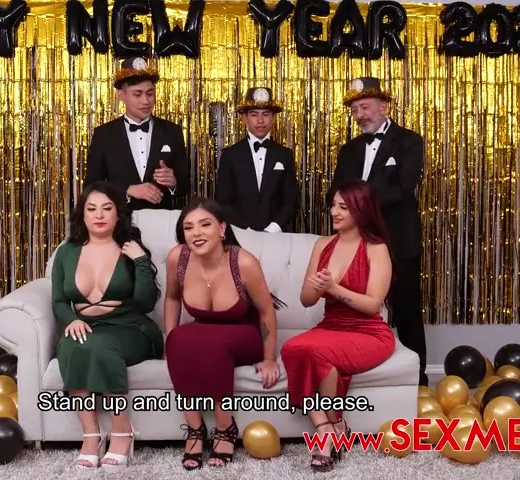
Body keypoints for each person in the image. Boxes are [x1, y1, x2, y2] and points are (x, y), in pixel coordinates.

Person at [280, 180, 396, 472]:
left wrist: (334, 288)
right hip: (330, 326)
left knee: (316, 354)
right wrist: (318, 287)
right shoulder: (322, 245)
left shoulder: (376, 248)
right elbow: (306, 300)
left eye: (343, 207)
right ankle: (330, 425)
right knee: (292, 348)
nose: (335, 212)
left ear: (361, 209)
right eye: (333, 205)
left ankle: (326, 436)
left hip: (369, 332)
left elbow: (372, 305)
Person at [51, 181, 164, 471]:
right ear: (83, 215)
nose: (99, 215)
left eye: (106, 208)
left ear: (118, 214)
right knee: (71, 345)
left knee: (100, 345)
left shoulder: (130, 248)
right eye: (92, 209)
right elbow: (59, 301)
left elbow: (146, 303)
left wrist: (140, 261)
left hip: (131, 327)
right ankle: (91, 434)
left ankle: (122, 430)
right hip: (87, 327)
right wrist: (72, 320)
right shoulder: (67, 252)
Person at [163, 198, 284, 470]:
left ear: (221, 229)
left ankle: (225, 427)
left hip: (244, 333)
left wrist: (269, 359)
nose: (196, 233)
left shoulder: (244, 262)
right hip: (203, 331)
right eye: (188, 227)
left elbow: (266, 312)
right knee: (178, 339)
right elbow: (172, 298)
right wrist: (169, 340)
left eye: (205, 225)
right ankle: (195, 430)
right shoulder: (178, 258)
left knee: (213, 345)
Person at [330, 76, 427, 386]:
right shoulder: (349, 150)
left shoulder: (409, 141)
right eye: (354, 110)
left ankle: (417, 381)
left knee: (407, 311)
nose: (359, 115)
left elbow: (403, 188)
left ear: (384, 107)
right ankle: (362, 377)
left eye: (365, 107)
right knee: (358, 311)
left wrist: (357, 204)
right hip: (357, 244)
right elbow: (335, 191)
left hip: (399, 241)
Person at [84, 56, 189, 211]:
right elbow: (92, 186)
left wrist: (173, 183)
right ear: (121, 96)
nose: (146, 101)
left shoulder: (172, 131)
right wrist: (128, 190)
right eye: (137, 94)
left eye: (150, 93)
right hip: (119, 220)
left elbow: (185, 186)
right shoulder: (104, 135)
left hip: (161, 219)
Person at [214, 87, 299, 232]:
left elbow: (291, 200)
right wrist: (245, 230)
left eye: (266, 114)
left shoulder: (284, 155)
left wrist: (272, 229)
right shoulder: (230, 155)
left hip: (275, 235)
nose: (260, 120)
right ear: (244, 118)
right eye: (254, 114)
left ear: (273, 118)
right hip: (239, 234)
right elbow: (223, 200)